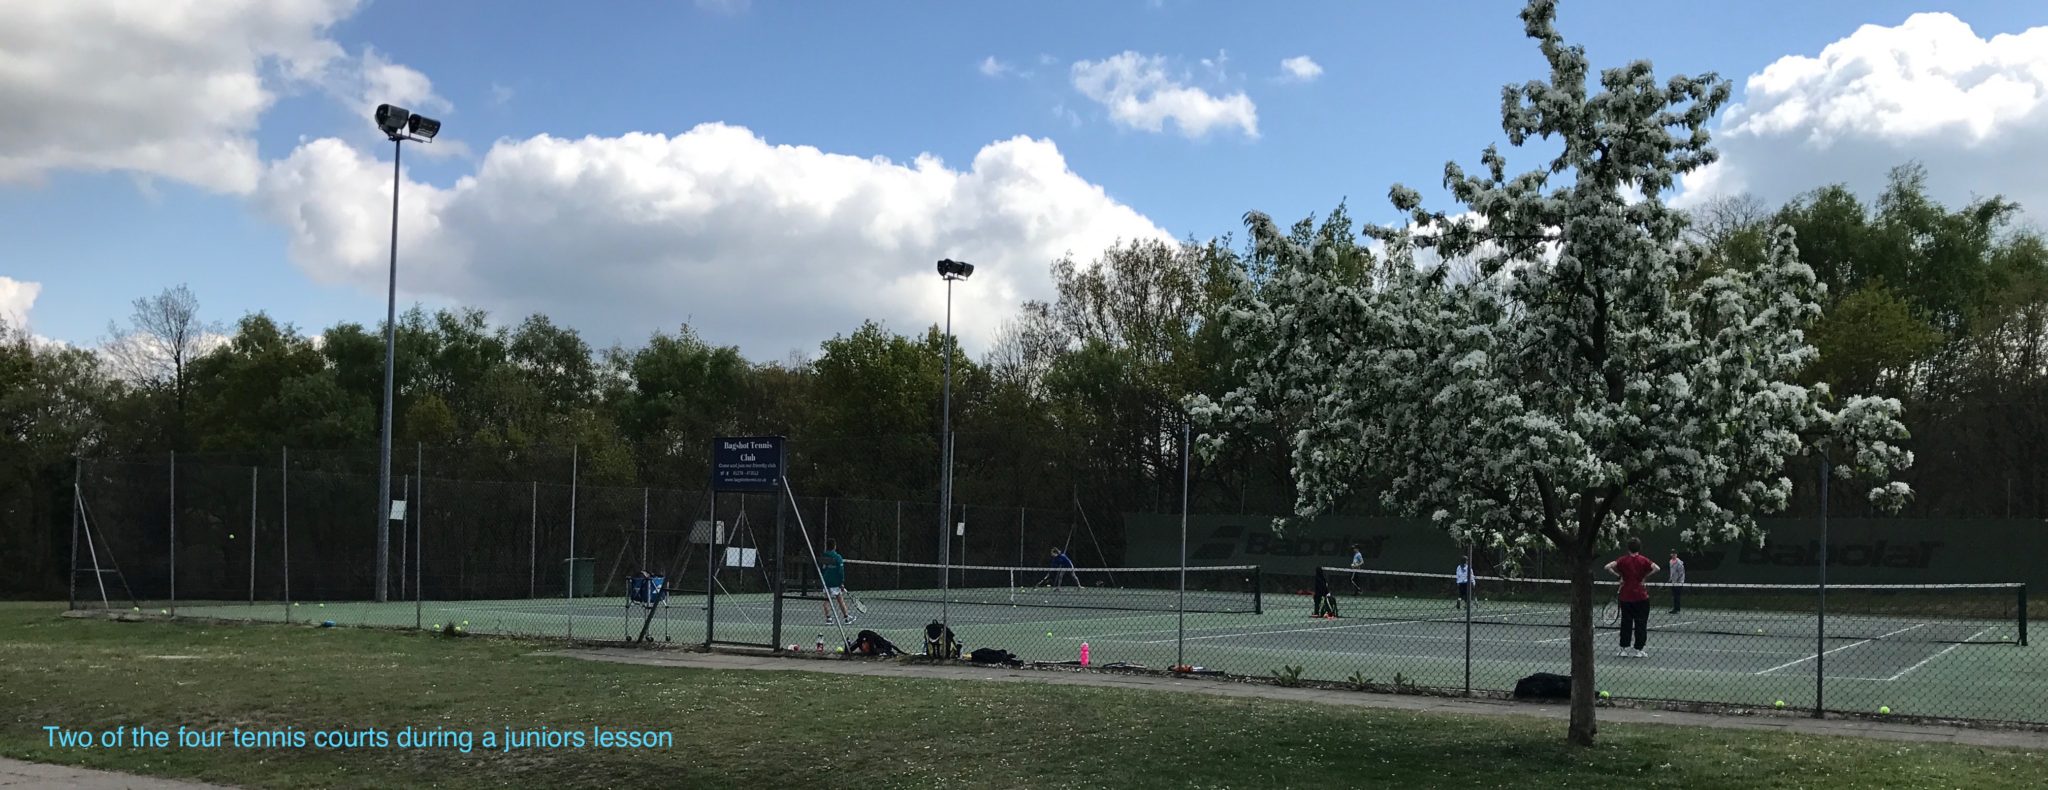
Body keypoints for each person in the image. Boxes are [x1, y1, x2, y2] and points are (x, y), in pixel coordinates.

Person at [1604, 538, 1661, 658]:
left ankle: (1623, 649)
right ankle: (1638, 650)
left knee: (1626, 623)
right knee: (1641, 623)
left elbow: (1607, 567)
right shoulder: (1644, 560)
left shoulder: (1622, 560)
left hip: (1626, 598)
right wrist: (1645, 576)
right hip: (1641, 597)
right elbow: (1657, 568)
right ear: (1639, 548)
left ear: (1628, 548)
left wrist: (1619, 576)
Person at [819, 539, 855, 625]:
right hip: (835, 583)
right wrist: (841, 582)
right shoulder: (838, 557)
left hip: (826, 582)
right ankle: (846, 618)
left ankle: (829, 619)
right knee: (840, 600)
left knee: (826, 600)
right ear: (834, 546)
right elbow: (841, 571)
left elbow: (822, 569)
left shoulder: (823, 556)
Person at [1667, 550, 1686, 615]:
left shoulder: (1679, 563)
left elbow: (1681, 573)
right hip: (1673, 581)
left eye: (1675, 554)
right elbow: (1672, 572)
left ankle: (1677, 609)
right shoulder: (1670, 561)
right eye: (1672, 553)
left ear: (1676, 555)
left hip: (1679, 582)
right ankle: (1675, 608)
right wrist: (1670, 579)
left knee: (1677, 595)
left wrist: (1678, 580)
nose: (1673, 555)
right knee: (1674, 595)